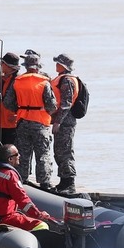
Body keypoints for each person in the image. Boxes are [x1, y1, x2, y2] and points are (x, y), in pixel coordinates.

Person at [4, 53, 56, 188]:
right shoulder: (44, 82)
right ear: (38, 67)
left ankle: (22, 181)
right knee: (43, 154)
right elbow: (52, 105)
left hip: (22, 122)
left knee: (22, 154)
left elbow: (7, 102)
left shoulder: (18, 81)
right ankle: (44, 184)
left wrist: (19, 110)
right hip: (40, 123)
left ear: (25, 66)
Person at [0, 144, 54, 231]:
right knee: (42, 226)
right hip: (5, 219)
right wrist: (39, 215)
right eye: (17, 154)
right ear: (10, 159)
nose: (19, 156)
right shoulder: (10, 176)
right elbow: (23, 200)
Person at [50, 53, 79, 194]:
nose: (56, 65)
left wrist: (58, 122)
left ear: (63, 66)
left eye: (58, 63)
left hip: (65, 122)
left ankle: (69, 183)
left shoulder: (66, 80)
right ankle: (63, 182)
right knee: (59, 152)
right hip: (63, 122)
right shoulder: (64, 78)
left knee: (65, 152)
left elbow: (66, 103)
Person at [0, 52, 21, 145]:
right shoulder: (2, 79)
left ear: (8, 66)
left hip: (12, 123)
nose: (1, 66)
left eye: (2, 63)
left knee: (11, 150)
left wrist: (17, 115)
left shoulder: (18, 80)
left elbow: (21, 99)